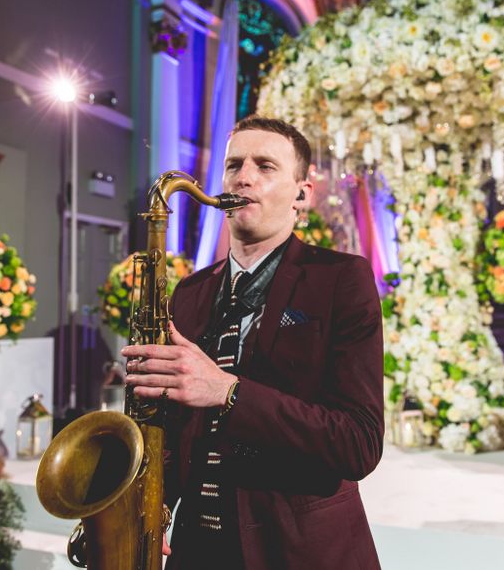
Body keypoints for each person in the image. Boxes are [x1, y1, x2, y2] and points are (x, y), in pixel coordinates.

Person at [121, 116, 384, 570]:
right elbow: (176, 428)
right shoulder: (190, 291)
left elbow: (358, 443)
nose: (243, 176)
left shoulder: (341, 279)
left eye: (265, 166)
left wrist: (228, 392)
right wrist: (148, 506)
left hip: (300, 549)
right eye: (233, 165)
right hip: (198, 548)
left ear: (301, 193)